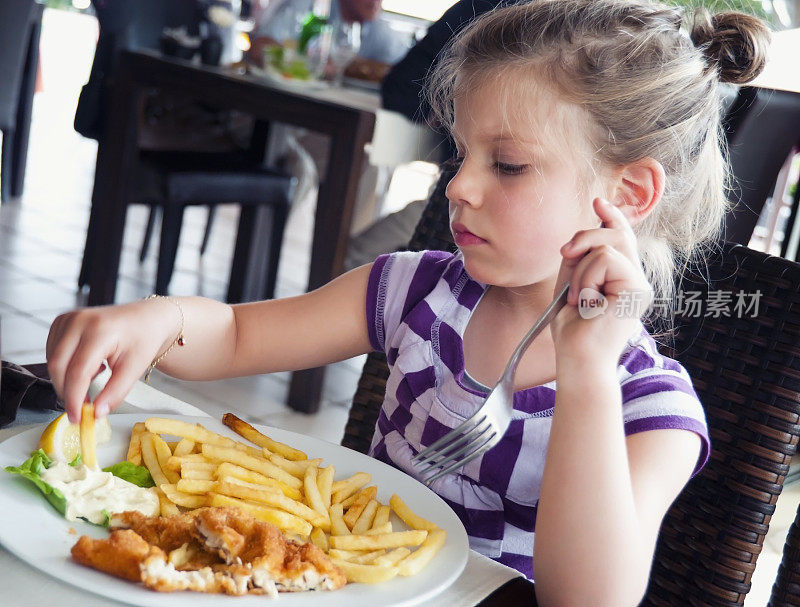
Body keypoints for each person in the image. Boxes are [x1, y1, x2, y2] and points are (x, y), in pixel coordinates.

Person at [47, 1, 770, 602]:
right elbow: (236, 335)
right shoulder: (416, 290)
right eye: (461, 154)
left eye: (508, 164)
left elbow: (586, 597)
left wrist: (585, 371)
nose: (458, 185)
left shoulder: (652, 410)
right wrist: (159, 317)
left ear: (625, 195)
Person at [249, 0, 410, 75]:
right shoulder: (309, 5)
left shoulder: (379, 30)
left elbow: (412, 75)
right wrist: (312, 65)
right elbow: (258, 49)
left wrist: (353, 67)